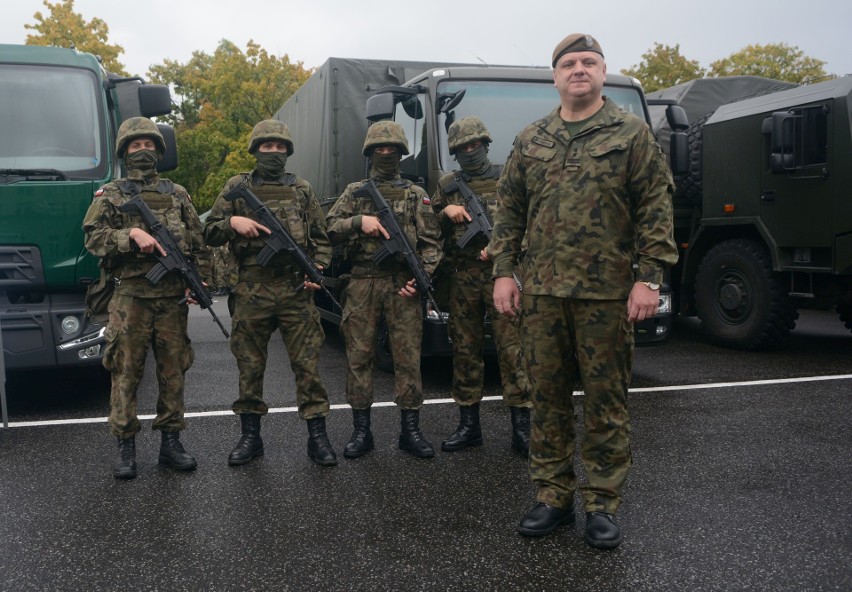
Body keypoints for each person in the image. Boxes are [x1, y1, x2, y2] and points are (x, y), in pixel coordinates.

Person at [490, 34, 678, 549]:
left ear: (602, 72)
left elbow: (656, 210)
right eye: (569, 63)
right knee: (545, 399)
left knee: (605, 401)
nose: (579, 69)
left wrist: (649, 279)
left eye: (588, 62)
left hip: (607, 296)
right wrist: (504, 271)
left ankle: (602, 504)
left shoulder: (631, 133)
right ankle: (552, 497)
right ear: (555, 76)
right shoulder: (532, 138)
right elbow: (508, 211)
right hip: (543, 296)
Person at [204, 119, 337, 467]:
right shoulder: (237, 186)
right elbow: (208, 232)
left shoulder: (302, 189)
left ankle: (317, 436)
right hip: (251, 287)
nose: (274, 152)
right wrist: (232, 223)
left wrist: (317, 270)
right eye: (267, 146)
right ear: (256, 150)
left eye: (280, 147)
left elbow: (322, 240)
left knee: (307, 364)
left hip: (295, 288)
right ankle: (251, 437)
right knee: (250, 366)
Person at [83, 116, 209, 480]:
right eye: (136, 145)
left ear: (159, 150)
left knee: (174, 371)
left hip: (171, 299)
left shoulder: (178, 193)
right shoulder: (112, 193)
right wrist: (131, 234)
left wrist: (199, 283)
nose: (143, 150)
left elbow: (199, 244)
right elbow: (92, 239)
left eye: (149, 144)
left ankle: (171, 443)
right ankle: (126, 445)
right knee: (125, 372)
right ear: (125, 151)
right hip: (131, 298)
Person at [326, 120, 442, 459]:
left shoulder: (416, 195)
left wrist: (421, 279)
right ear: (370, 153)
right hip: (362, 281)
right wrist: (358, 222)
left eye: (392, 149)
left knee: (408, 358)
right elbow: (329, 228)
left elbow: (432, 243)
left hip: (403, 284)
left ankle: (411, 430)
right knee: (359, 357)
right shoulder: (354, 192)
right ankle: (361, 431)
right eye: (380, 149)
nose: (386, 154)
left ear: (402, 152)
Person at [431, 116, 532, 454]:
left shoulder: (509, 176)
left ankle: (523, 427)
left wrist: (504, 249)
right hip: (462, 278)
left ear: (486, 144)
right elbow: (427, 228)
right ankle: (469, 426)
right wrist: (446, 212)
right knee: (465, 350)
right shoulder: (447, 185)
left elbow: (530, 222)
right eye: (462, 148)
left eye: (475, 145)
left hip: (503, 274)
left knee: (513, 349)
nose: (470, 151)